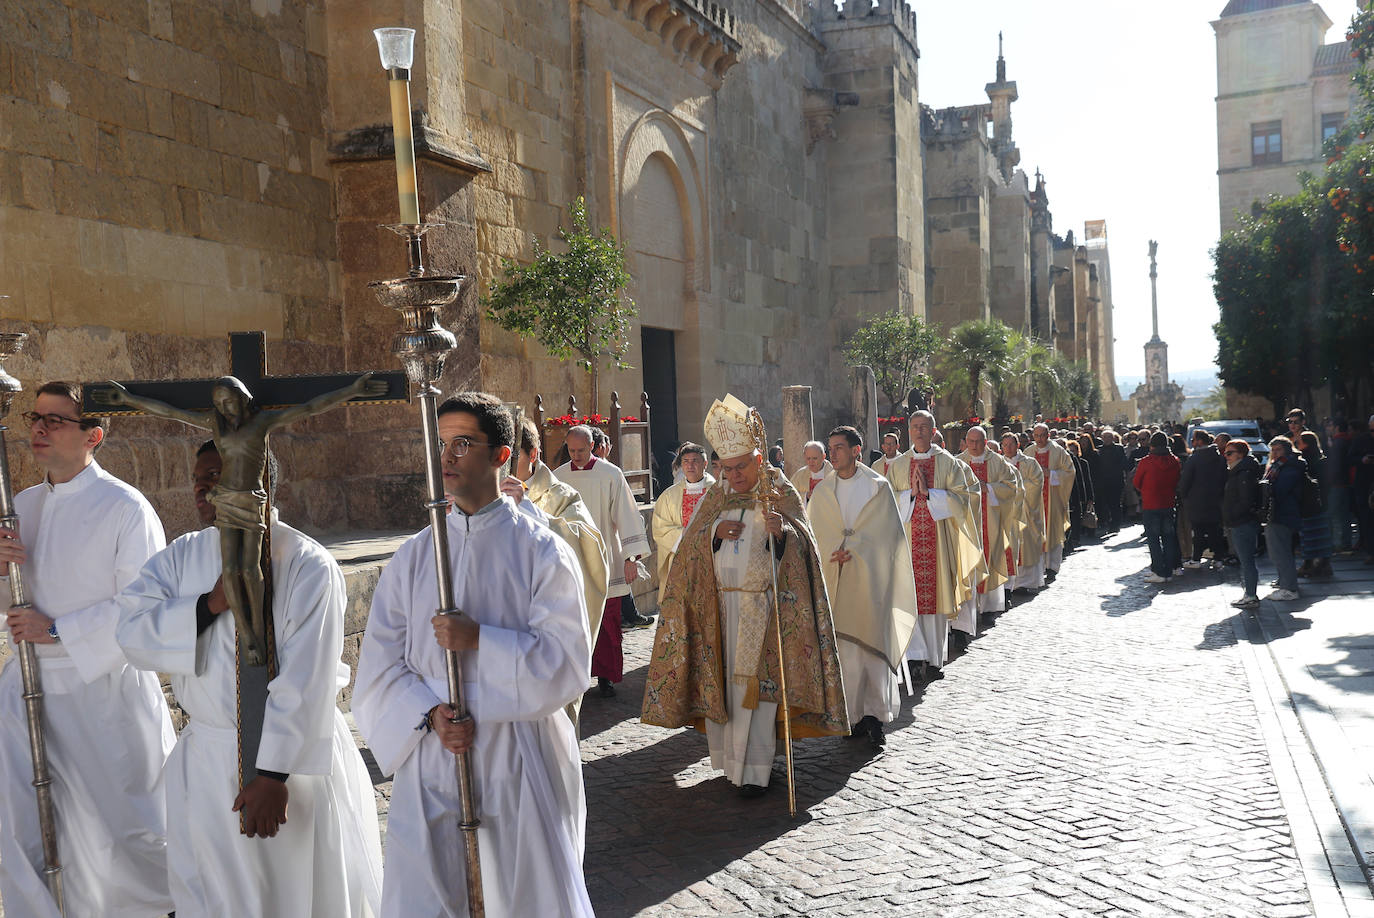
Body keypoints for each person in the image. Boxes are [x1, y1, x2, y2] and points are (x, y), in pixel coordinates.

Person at [115, 442, 384, 916]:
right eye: (199, 476)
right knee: (211, 898)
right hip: (207, 758)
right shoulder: (182, 557)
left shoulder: (306, 564)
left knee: (291, 897)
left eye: (217, 475)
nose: (201, 486)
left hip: (289, 768)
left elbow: (307, 679)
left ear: (259, 483)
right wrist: (208, 605)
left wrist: (272, 775)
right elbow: (131, 632)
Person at [353, 392, 594, 916]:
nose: (448, 456)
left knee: (521, 895)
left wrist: (480, 638)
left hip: (518, 756)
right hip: (437, 758)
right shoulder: (414, 558)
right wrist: (430, 714)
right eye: (441, 444)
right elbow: (380, 665)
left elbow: (568, 664)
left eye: (464, 443)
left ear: (502, 455)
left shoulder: (542, 551)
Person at [0, 382, 175, 918]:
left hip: (103, 690)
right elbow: (10, 604)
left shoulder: (126, 508)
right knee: (26, 824)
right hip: (28, 689)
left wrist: (57, 629)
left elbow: (145, 605)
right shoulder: (19, 507)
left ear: (93, 436)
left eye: (56, 420)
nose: (39, 428)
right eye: (36, 417)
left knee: (128, 832)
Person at [641, 394, 848, 797]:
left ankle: (758, 769)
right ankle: (731, 764)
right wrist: (713, 536)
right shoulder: (716, 497)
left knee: (757, 693)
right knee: (728, 691)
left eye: (740, 468)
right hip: (719, 611)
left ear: (757, 460)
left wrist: (782, 534)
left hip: (765, 609)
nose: (733, 476)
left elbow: (806, 551)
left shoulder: (780, 491)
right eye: (726, 468)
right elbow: (689, 552)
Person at [807, 426, 916, 749]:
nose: (834, 453)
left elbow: (889, 538)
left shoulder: (877, 487)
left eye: (839, 447)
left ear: (856, 451)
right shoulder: (824, 491)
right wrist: (831, 552)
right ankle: (850, 717)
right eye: (831, 447)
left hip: (871, 582)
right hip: (837, 581)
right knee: (847, 656)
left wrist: (855, 549)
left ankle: (875, 718)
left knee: (872, 654)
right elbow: (815, 534)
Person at [501, 417, 609, 725]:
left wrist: (527, 511)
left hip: (546, 637)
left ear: (532, 454)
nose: (501, 468)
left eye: (511, 458)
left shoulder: (560, 497)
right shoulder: (483, 497)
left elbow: (587, 551)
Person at [884, 411, 983, 676]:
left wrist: (931, 494)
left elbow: (965, 498)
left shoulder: (948, 463)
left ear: (933, 429)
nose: (919, 431)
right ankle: (915, 658)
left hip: (939, 543)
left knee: (936, 600)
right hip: (907, 542)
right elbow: (886, 501)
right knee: (910, 598)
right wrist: (910, 496)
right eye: (914, 427)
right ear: (908, 430)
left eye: (924, 427)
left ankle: (935, 660)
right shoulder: (899, 465)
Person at [556, 424, 651, 696]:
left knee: (608, 622)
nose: (576, 455)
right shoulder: (558, 477)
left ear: (593, 446)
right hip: (571, 561)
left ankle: (606, 677)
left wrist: (631, 557)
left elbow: (627, 516)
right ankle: (576, 674)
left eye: (581, 450)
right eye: (571, 450)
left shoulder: (611, 474)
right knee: (575, 621)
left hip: (606, 558)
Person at [956, 426, 1019, 615]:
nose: (974, 446)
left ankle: (990, 608)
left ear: (985, 441)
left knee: (991, 559)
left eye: (978, 442)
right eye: (971, 442)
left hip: (991, 522)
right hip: (966, 523)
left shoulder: (998, 462)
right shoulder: (957, 463)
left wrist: (989, 488)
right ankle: (969, 612)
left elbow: (1011, 487)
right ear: (966, 442)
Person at [651, 441, 716, 583]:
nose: (690, 465)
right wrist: (685, 535)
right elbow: (660, 528)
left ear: (705, 464)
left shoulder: (716, 492)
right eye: (686, 461)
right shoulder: (669, 496)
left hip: (710, 559)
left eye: (695, 461)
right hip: (680, 558)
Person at [1133, 431, 1183, 584]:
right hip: (1168, 503)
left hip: (1151, 504)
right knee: (1168, 538)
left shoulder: (1146, 462)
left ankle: (1159, 571)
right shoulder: (1175, 461)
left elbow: (1136, 482)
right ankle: (1167, 571)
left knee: (1154, 540)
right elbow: (1177, 481)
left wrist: (1146, 492)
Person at [1029, 423, 1075, 581]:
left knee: (1053, 531)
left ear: (1048, 435)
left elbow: (1070, 472)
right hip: (1033, 501)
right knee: (1035, 533)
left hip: (1053, 500)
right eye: (1036, 435)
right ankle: (1038, 566)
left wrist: (1051, 474)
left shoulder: (1058, 451)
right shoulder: (1028, 452)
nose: (1039, 439)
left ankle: (1052, 566)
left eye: (1042, 435)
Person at [1001, 432, 1046, 593]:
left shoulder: (1030, 463)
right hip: (1007, 513)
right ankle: (1009, 584)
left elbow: (1037, 483)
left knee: (1026, 545)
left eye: (1011, 444)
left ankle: (1026, 583)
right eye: (1005, 445)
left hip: (1026, 512)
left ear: (1018, 445)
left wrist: (1016, 490)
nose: (1008, 448)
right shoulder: (999, 463)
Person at [1178, 429, 1228, 571]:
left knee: (1198, 532)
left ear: (1199, 441)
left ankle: (1196, 558)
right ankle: (1218, 558)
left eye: (1193, 440)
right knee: (1214, 530)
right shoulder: (1219, 458)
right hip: (1215, 499)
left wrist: (1184, 495)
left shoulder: (1194, 459)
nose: (1192, 443)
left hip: (1197, 501)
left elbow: (1185, 481)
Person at [1221, 440, 1264, 607]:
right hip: (1241, 521)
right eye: (1225, 453)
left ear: (1241, 454)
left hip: (1242, 523)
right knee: (1246, 561)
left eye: (1230, 453)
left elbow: (1245, 501)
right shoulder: (1239, 471)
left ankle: (1251, 595)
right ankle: (1249, 593)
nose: (1226, 456)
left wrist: (1232, 515)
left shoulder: (1243, 472)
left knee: (1247, 561)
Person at [1263, 436, 1305, 600]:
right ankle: (1285, 581)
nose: (1274, 453)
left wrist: (1266, 489)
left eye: (1278, 449)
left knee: (1281, 552)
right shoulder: (1280, 465)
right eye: (1272, 449)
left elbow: (1280, 490)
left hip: (1283, 513)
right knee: (1279, 550)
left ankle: (1289, 589)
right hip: (1279, 512)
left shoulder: (1290, 466)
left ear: (1287, 450)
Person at [1294, 431, 1334, 579]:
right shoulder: (1320, 459)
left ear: (1306, 443)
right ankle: (1322, 564)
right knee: (1320, 534)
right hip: (1320, 502)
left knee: (1309, 535)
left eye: (1299, 442)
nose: (1297, 445)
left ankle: (1310, 564)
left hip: (1309, 503)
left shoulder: (1306, 460)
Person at [1350, 415, 1374, 564]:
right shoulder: (1361, 440)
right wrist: (1362, 460)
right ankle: (1371, 551)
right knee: (1366, 519)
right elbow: (1350, 458)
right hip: (1364, 485)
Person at [1065, 439, 1095, 552]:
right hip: (1069, 496)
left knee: (1077, 519)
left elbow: (1086, 480)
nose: (1071, 453)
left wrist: (1089, 497)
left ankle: (1075, 539)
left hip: (1079, 495)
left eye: (1073, 451)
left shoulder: (1082, 463)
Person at [1096, 429, 1128, 533]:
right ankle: (1104, 522)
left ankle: (1115, 524)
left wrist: (1116, 471)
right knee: (1103, 503)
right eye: (1104, 437)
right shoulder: (1099, 450)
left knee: (1115, 503)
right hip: (1103, 481)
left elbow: (1123, 463)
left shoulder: (1119, 448)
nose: (1107, 439)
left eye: (1109, 437)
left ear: (1113, 438)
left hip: (1116, 481)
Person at [789, 440, 832, 505]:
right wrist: (806, 496)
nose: (811, 462)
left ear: (823, 457)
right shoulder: (799, 475)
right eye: (808, 458)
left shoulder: (833, 473)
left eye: (815, 458)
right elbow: (789, 495)